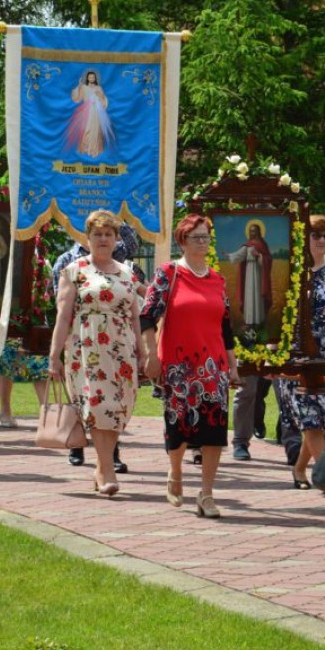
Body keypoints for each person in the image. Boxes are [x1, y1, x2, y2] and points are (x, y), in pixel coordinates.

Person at [141, 214, 240, 518]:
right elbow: (146, 316)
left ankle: (207, 494)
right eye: (196, 237)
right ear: (182, 241)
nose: (202, 242)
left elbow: (225, 328)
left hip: (213, 367)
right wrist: (151, 355)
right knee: (179, 427)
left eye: (206, 237)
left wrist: (233, 366)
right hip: (178, 365)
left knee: (213, 430)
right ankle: (175, 472)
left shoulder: (217, 279)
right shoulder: (168, 274)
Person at [48, 210, 144, 496]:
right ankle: (106, 470)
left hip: (122, 350)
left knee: (117, 409)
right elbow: (63, 316)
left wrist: (143, 349)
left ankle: (103, 466)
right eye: (97, 234)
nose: (103, 239)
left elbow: (137, 315)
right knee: (98, 407)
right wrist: (54, 356)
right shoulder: (74, 270)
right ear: (87, 238)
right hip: (86, 349)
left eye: (108, 234)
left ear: (116, 239)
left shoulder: (128, 272)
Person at [274, 215, 325, 488]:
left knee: (321, 418)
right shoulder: (289, 269)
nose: (321, 241)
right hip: (296, 356)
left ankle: (299, 469)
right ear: (302, 237)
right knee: (309, 418)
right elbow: (274, 311)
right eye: (315, 235)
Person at [227, 220, 273, 331]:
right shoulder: (247, 245)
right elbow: (239, 255)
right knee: (249, 296)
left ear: (258, 232)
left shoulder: (262, 245)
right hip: (248, 273)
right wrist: (229, 256)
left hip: (258, 273)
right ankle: (248, 322)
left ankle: (258, 321)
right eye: (250, 231)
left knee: (257, 296)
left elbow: (269, 259)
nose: (252, 233)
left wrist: (259, 256)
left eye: (254, 231)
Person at [66, 69, 114, 158]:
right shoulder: (84, 87)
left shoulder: (98, 88)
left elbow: (104, 101)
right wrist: (79, 86)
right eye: (89, 77)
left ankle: (94, 149)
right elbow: (77, 98)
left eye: (93, 77)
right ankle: (85, 148)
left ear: (95, 78)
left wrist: (100, 95)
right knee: (86, 129)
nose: (91, 78)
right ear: (87, 78)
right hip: (86, 111)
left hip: (96, 111)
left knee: (95, 130)